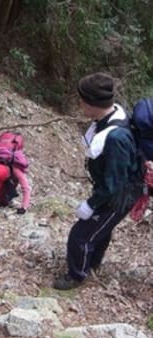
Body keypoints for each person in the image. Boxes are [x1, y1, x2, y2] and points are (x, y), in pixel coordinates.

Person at [53, 72, 143, 290]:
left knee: (79, 236)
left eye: (82, 100)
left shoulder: (116, 139)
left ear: (93, 104)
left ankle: (76, 275)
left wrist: (91, 204)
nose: (79, 104)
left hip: (118, 197)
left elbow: (115, 184)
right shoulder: (109, 119)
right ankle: (93, 262)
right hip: (115, 190)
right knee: (100, 230)